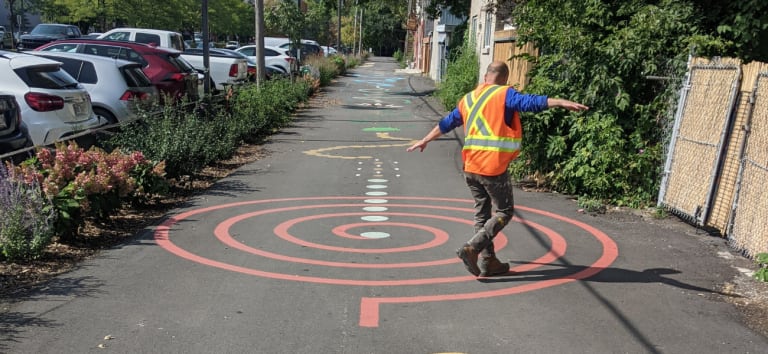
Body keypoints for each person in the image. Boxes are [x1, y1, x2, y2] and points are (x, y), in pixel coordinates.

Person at [407, 61, 589, 277]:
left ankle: (488, 261)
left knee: (482, 214)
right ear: (504, 79)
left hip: (470, 166)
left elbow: (447, 123)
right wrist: (560, 102)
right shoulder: (504, 94)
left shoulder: (469, 99)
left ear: (486, 77)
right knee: (505, 211)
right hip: (491, 166)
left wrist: (425, 139)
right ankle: (473, 248)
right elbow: (531, 102)